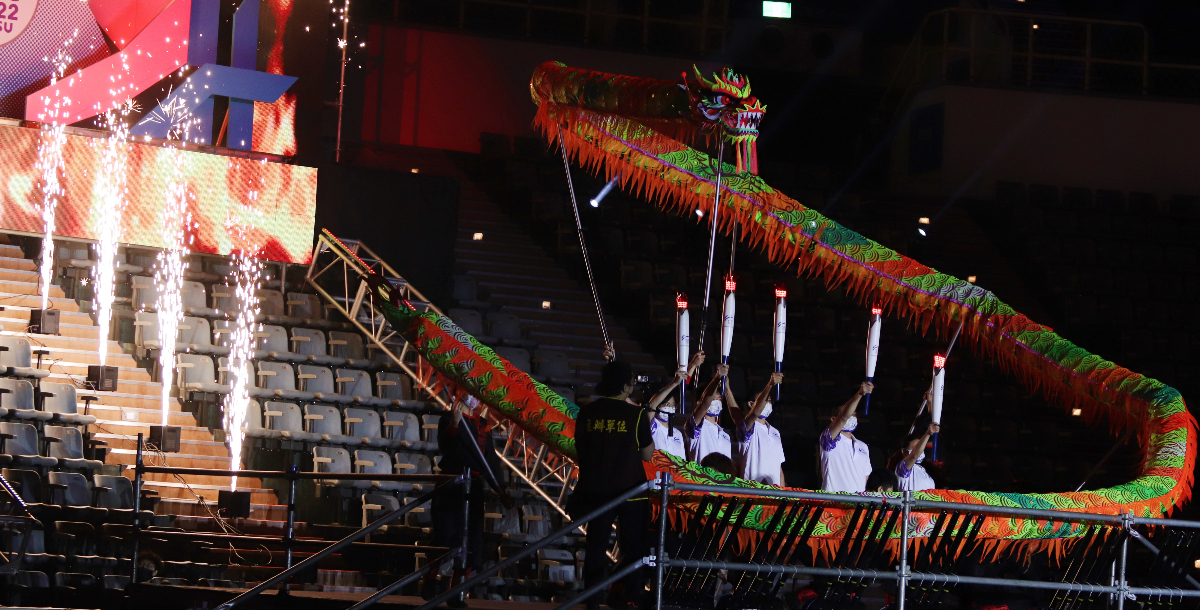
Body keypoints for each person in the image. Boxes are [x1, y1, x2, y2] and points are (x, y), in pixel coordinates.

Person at [572, 360, 655, 610]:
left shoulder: (587, 412)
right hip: (631, 491)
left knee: (596, 546)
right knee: (633, 548)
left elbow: (580, 448)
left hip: (596, 488)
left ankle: (592, 599)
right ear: (625, 386)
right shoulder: (636, 414)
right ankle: (632, 598)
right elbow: (647, 455)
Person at [428, 394, 510, 607]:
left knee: (471, 542)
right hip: (451, 482)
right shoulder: (448, 418)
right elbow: (446, 447)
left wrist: (501, 489)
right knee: (445, 535)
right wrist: (455, 423)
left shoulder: (483, 426)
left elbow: (490, 460)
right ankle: (429, 581)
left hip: (473, 486)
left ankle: (455, 593)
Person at [728, 372, 786, 486]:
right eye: (763, 400)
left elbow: (779, 467)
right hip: (751, 491)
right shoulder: (748, 428)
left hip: (773, 493)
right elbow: (754, 412)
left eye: (769, 400)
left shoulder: (775, 432)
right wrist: (770, 384)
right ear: (751, 404)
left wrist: (783, 493)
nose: (767, 403)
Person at [645, 352, 705, 460]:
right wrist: (674, 382)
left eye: (672, 405)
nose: (670, 407)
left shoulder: (678, 434)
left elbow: (680, 392)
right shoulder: (653, 426)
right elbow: (651, 405)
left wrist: (692, 367)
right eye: (666, 404)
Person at [819, 382, 874, 493]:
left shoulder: (863, 446)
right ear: (833, 419)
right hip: (833, 503)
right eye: (849, 414)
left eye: (853, 414)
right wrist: (859, 394)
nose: (851, 417)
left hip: (857, 504)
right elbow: (843, 418)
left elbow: (866, 479)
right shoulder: (829, 440)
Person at [686, 363, 732, 464]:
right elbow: (704, 404)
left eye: (719, 399)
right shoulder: (697, 427)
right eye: (713, 399)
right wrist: (716, 378)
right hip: (701, 479)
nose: (716, 402)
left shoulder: (725, 435)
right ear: (699, 402)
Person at [895, 422, 940, 491]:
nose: (921, 450)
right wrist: (928, 433)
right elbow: (914, 455)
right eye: (915, 447)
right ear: (904, 451)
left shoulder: (923, 470)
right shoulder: (902, 468)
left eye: (921, 447)